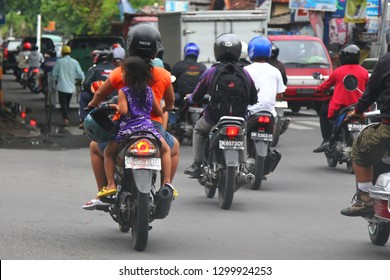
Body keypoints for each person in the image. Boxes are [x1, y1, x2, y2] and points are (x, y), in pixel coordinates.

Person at [83, 23, 180, 210]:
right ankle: (165, 185)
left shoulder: (120, 74)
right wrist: (168, 108)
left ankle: (106, 189)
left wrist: (93, 105)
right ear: (155, 48)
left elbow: (101, 94)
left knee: (97, 148)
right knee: (172, 147)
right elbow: (168, 102)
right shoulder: (163, 75)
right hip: (152, 127)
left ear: (130, 45)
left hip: (125, 128)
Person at [184, 33, 258, 178]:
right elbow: (253, 98)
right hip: (239, 117)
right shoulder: (244, 73)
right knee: (241, 132)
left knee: (199, 130)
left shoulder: (212, 71)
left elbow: (197, 94)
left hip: (214, 118)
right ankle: (242, 166)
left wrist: (190, 98)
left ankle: (197, 164)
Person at [98, 55, 172, 197]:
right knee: (166, 150)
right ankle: (166, 183)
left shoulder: (123, 91)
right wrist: (164, 108)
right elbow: (158, 111)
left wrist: (115, 106)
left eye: (124, 72)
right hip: (148, 129)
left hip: (128, 130)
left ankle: (110, 185)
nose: (121, 74)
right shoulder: (149, 91)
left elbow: (124, 111)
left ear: (130, 74)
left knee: (108, 153)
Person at [340, 52, 390, 217]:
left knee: (360, 148)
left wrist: (358, 111)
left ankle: (365, 200)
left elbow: (371, 92)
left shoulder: (385, 61)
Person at [313, 44, 369, 153]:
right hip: (360, 107)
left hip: (341, 107)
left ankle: (326, 140)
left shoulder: (338, 71)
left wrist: (318, 89)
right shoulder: (364, 72)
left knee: (323, 113)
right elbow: (369, 89)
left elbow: (324, 86)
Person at [245, 36, 286, 118]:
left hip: (250, 113)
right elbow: (280, 95)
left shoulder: (245, 70)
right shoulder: (275, 71)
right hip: (270, 113)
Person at [79, 50, 117, 128]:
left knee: (83, 96)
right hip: (116, 96)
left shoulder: (94, 69)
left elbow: (86, 84)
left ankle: (83, 120)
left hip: (98, 95)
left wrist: (94, 92)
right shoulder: (117, 69)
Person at [52, 45, 85, 126]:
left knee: (63, 104)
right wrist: (81, 80)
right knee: (67, 103)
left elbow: (54, 74)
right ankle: (66, 116)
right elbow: (81, 75)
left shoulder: (59, 62)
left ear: (62, 53)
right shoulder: (75, 62)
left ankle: (65, 118)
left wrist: (56, 79)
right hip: (71, 88)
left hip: (61, 87)